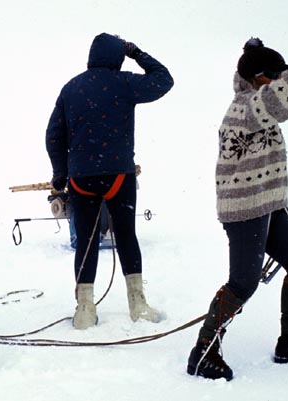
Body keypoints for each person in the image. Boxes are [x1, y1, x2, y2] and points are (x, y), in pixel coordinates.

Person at [186, 38, 288, 381]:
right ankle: (203, 352)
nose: (283, 84)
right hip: (244, 210)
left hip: (269, 208)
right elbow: (280, 103)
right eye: (276, 77)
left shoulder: (254, 104)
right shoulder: (246, 107)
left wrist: (280, 208)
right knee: (242, 283)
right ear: (261, 78)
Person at [45, 33, 174, 329]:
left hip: (81, 179)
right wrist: (137, 53)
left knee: (86, 243)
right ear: (117, 56)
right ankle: (138, 305)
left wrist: (60, 173)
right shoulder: (125, 83)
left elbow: (54, 135)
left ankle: (85, 310)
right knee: (126, 236)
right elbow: (163, 80)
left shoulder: (71, 88)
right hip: (119, 175)